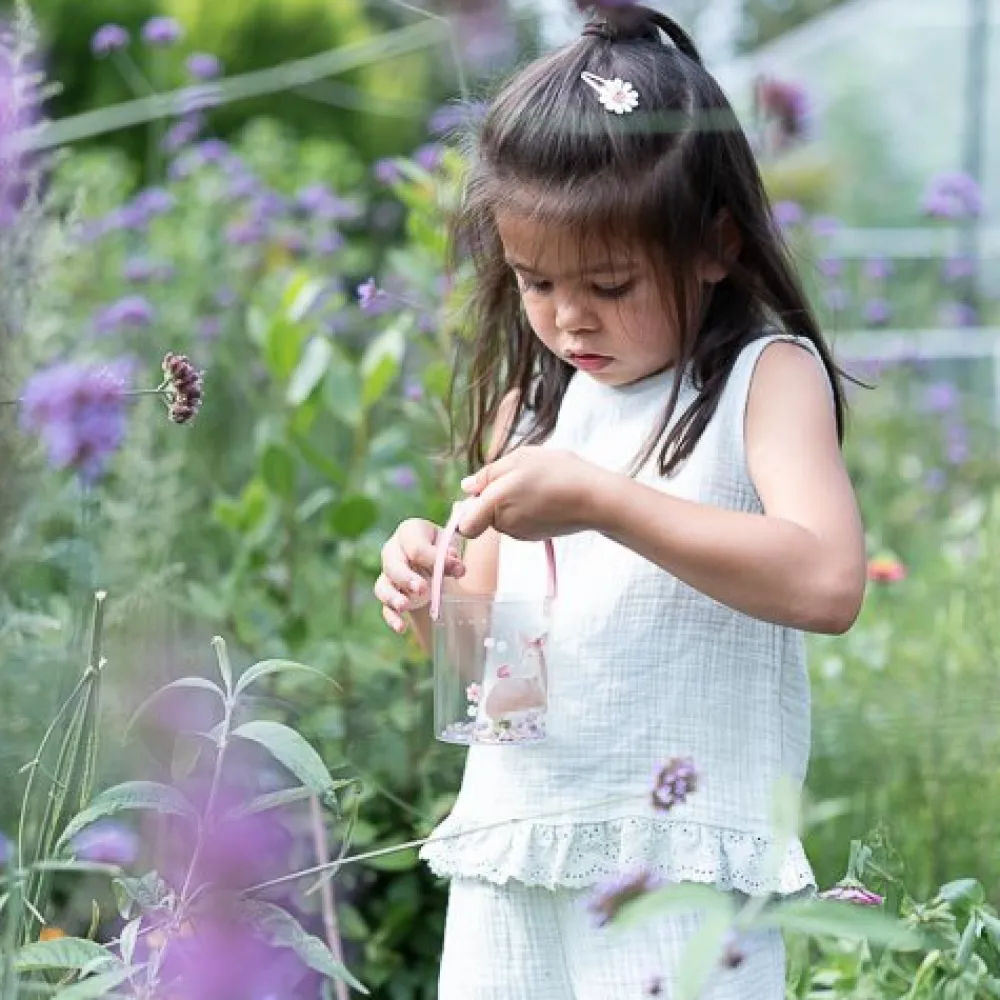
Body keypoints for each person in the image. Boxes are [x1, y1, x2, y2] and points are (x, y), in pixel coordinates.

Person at [373, 3, 866, 997]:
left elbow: (825, 582)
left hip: (678, 869)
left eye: (606, 282)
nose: (565, 318)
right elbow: (491, 687)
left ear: (713, 245)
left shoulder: (760, 381)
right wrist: (434, 587)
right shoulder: (532, 408)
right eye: (534, 281)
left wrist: (605, 502)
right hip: (519, 855)